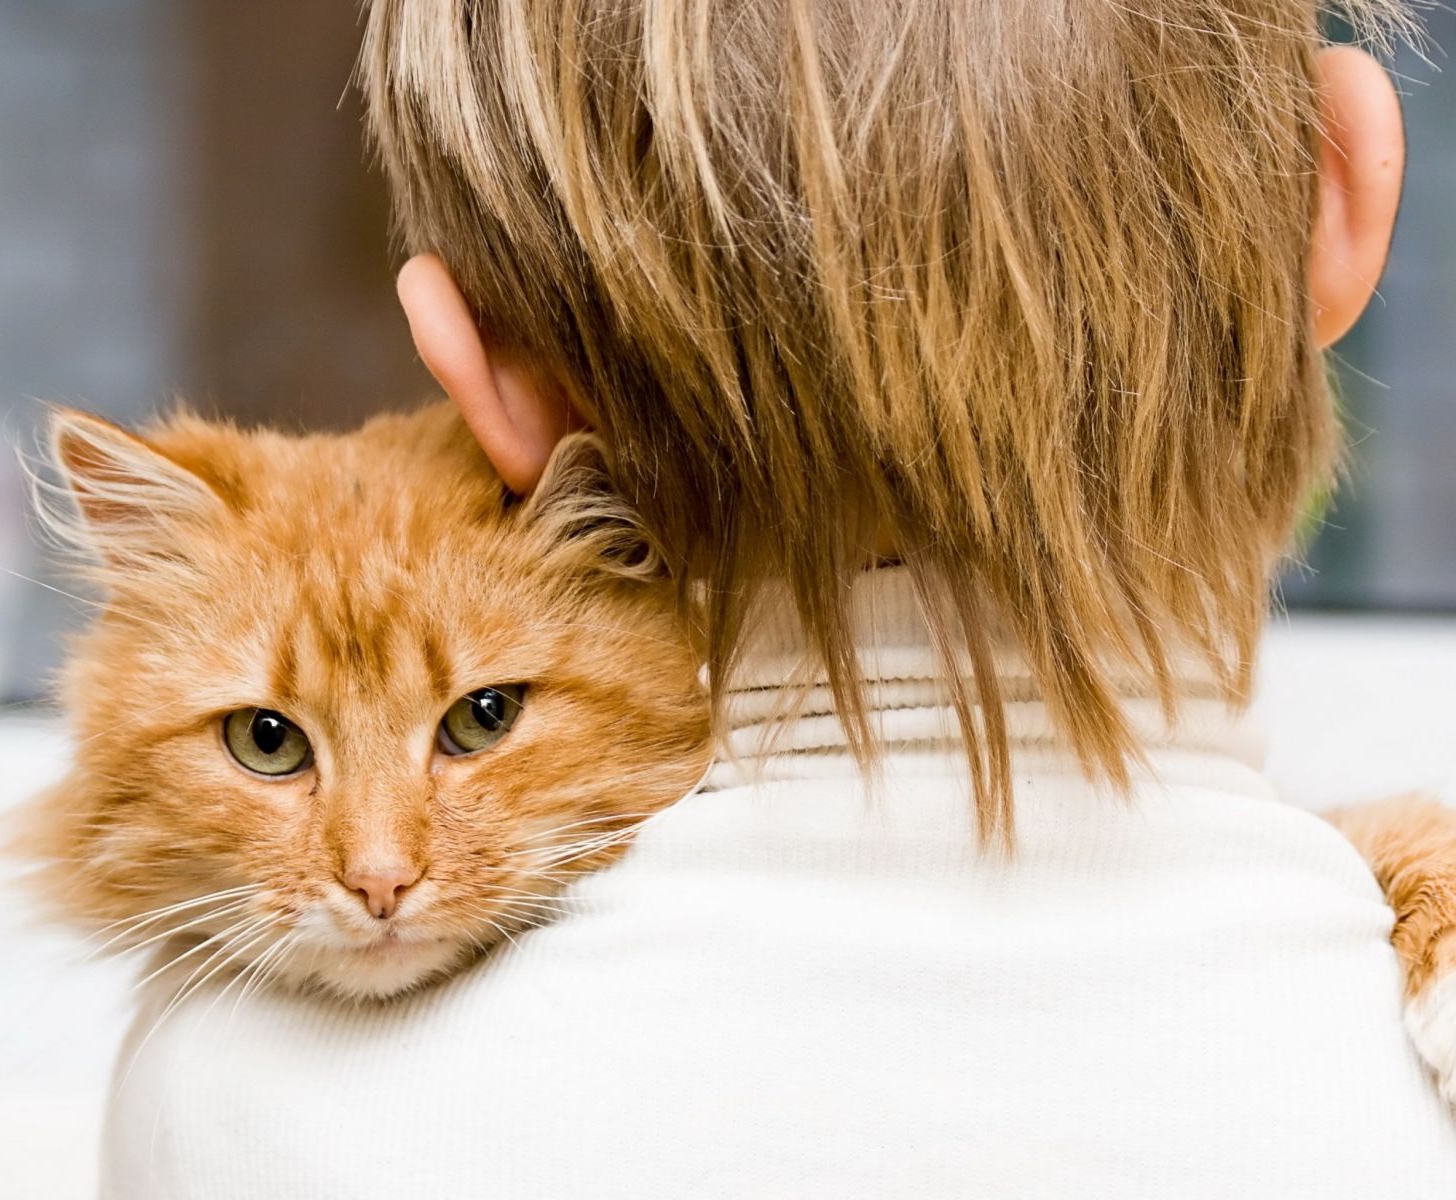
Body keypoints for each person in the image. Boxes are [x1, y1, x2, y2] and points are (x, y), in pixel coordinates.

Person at [102, 2, 1456, 1195]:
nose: (380, 862)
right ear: (1337, 202)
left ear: (485, 375)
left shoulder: (226, 1096)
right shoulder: (1374, 1075)